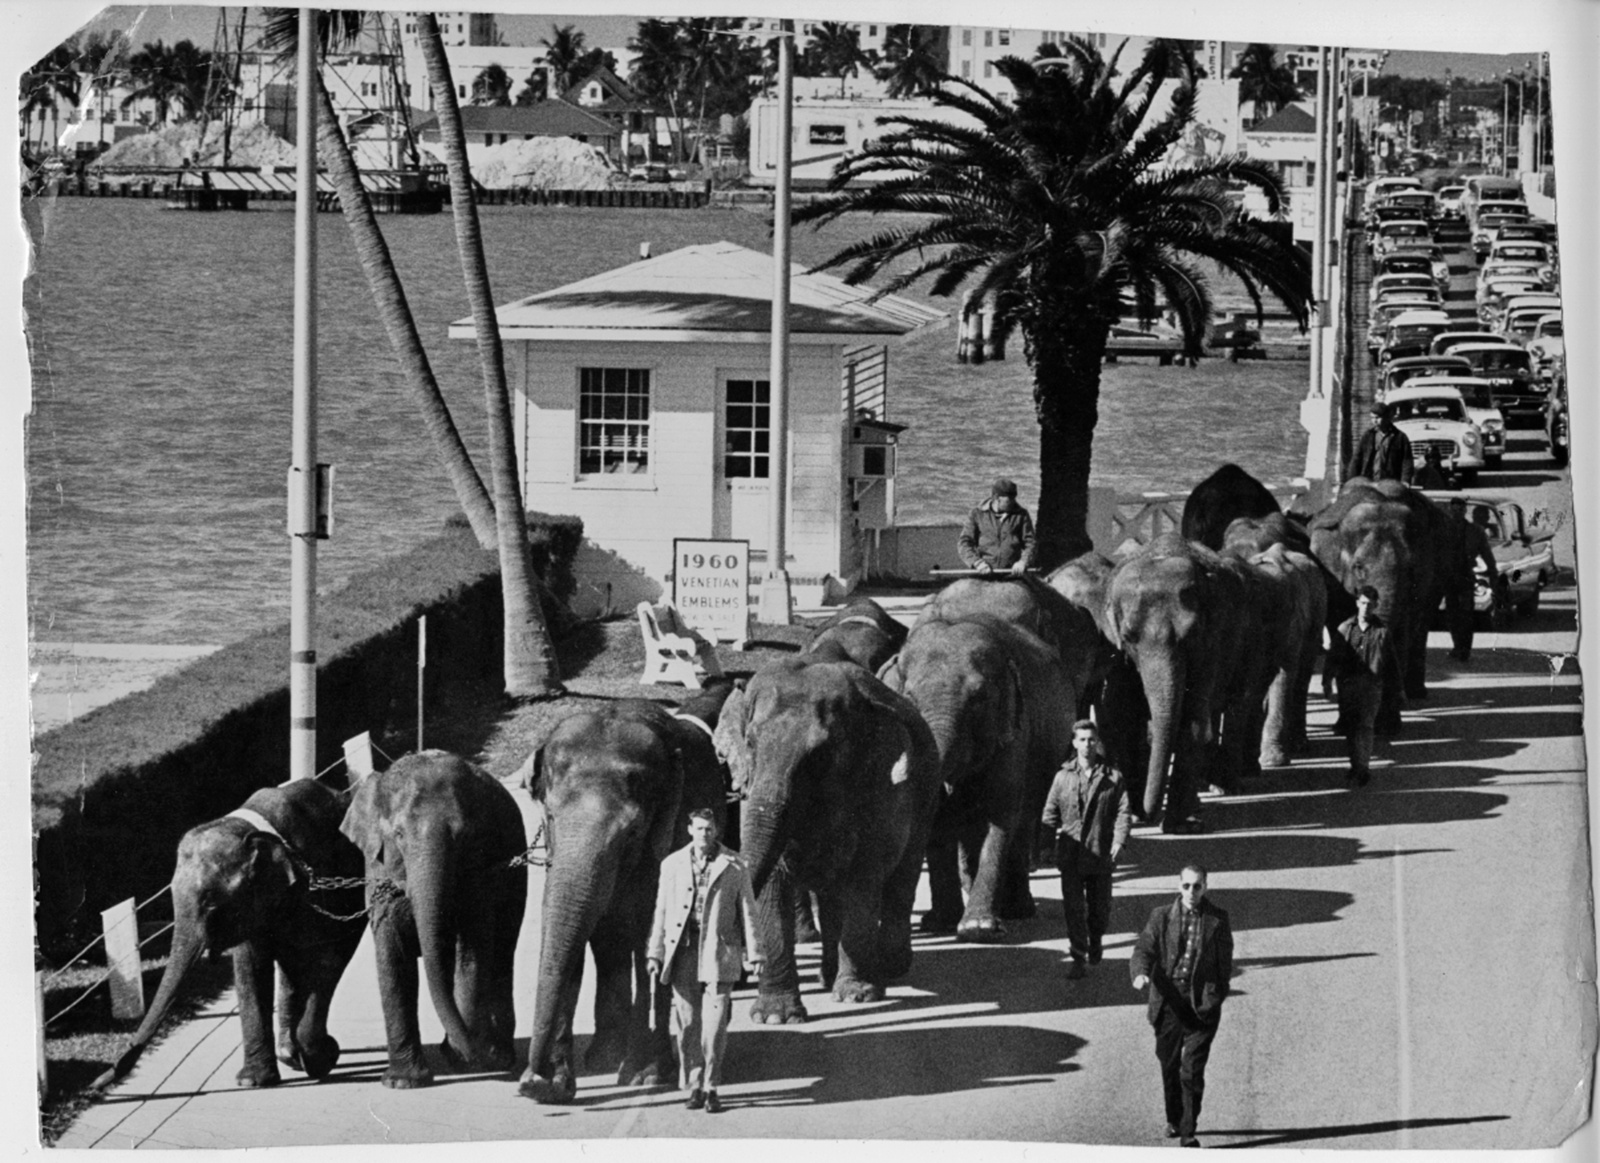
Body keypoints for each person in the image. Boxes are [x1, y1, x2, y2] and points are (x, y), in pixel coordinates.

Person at [647, 810, 764, 1113]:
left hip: (719, 953)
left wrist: (756, 953)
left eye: (709, 829)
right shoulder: (671, 865)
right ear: (689, 830)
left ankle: (712, 1086)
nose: (704, 835)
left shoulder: (735, 865)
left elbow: (748, 912)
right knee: (688, 1025)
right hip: (682, 952)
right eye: (699, 829)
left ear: (716, 831)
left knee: (714, 1026)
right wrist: (655, 953)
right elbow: (661, 911)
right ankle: (695, 1085)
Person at [1130, 865, 1234, 1149]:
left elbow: (1225, 965)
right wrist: (1140, 973)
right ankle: (1174, 1119)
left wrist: (1214, 998)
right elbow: (1144, 949)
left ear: (1206, 888)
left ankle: (1189, 1133)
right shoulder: (1161, 916)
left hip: (1201, 1004)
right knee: (1169, 1064)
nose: (1191, 892)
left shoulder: (1218, 920)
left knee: (1192, 1071)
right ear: (1179, 886)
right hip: (1169, 1000)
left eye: (1197, 886)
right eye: (1187, 886)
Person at [1041, 720, 1131, 980]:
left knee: (1100, 909)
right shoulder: (1062, 777)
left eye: (1091, 739)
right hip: (1070, 854)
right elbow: (1050, 814)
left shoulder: (1113, 777)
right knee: (1073, 908)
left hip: (1100, 853)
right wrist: (1046, 846)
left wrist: (1119, 841)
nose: (1087, 744)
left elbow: (1124, 812)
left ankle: (1096, 939)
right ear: (1074, 743)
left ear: (1097, 741)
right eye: (1082, 739)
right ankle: (1078, 956)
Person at [1325, 584, 1399, 786]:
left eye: (1370, 604)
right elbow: (1332, 658)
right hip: (1347, 685)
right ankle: (1355, 765)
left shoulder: (1382, 632)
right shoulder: (1345, 629)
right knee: (1350, 727)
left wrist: (1397, 690)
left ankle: (1363, 767)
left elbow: (1392, 663)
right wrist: (1327, 681)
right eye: (1363, 603)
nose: (1366, 608)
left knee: (1365, 726)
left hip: (1371, 686)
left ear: (1376, 606)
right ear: (1358, 603)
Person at [957, 477, 1036, 574]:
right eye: (1009, 499)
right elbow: (964, 543)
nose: (1013, 502)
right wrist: (976, 562)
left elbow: (1031, 543)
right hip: (983, 572)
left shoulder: (1021, 515)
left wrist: (1023, 562)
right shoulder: (977, 514)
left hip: (1012, 573)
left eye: (1014, 498)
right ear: (996, 498)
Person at [1345, 401, 1415, 484]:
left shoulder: (1400, 438)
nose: (1374, 421)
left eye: (1377, 418)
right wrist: (1351, 480)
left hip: (1391, 483)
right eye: (1372, 418)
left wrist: (1405, 481)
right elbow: (1357, 459)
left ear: (1387, 417)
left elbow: (1407, 461)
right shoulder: (1367, 436)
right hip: (1369, 481)